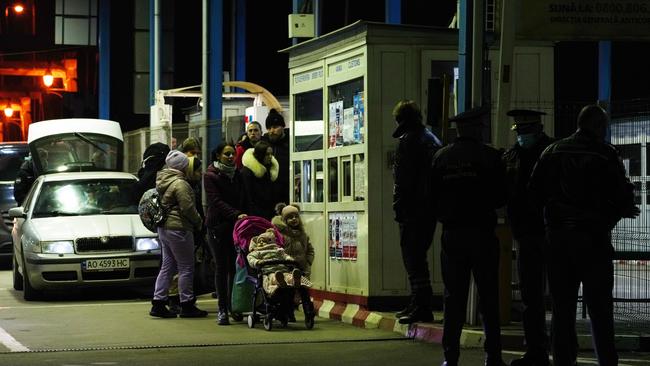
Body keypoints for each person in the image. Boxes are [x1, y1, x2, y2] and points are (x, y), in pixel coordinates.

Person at [529, 104, 639, 366]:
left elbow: (534, 192)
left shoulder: (551, 151)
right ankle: (607, 361)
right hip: (594, 241)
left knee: (562, 308)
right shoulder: (605, 154)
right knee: (601, 310)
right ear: (599, 126)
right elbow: (622, 194)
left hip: (558, 242)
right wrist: (619, 210)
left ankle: (564, 361)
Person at [431, 106, 507, 366]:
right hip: (483, 234)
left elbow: (430, 197)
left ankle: (450, 357)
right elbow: (500, 196)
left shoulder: (441, 158)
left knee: (453, 299)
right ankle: (493, 356)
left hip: (452, 235)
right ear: (477, 129)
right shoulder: (491, 157)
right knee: (489, 297)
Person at [502, 110, 553, 366]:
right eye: (519, 131)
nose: (522, 135)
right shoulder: (511, 155)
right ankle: (537, 352)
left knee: (559, 298)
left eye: (526, 130)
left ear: (538, 128)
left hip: (552, 234)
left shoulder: (553, 152)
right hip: (525, 235)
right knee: (531, 299)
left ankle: (563, 352)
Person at [390, 100, 441, 324]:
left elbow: (402, 179)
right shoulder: (432, 139)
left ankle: (421, 305)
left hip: (412, 208)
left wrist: (399, 206)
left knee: (412, 257)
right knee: (418, 256)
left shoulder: (408, 141)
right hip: (430, 207)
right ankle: (419, 302)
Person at [149, 150, 207, 319]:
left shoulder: (163, 180)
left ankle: (158, 302)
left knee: (168, 266)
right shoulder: (180, 184)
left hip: (164, 228)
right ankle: (187, 304)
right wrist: (198, 222)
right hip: (179, 228)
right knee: (186, 267)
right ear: (183, 166)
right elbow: (187, 208)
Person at [204, 142, 248, 325]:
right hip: (217, 227)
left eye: (232, 154)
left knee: (234, 267)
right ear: (218, 156)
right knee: (222, 268)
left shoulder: (238, 174)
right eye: (226, 154)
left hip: (236, 227)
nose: (230, 157)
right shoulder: (210, 176)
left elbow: (244, 197)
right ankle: (222, 309)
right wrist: (236, 214)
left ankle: (233, 306)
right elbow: (216, 201)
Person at [246, 229, 311, 297]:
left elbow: (285, 256)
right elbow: (250, 258)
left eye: (264, 241)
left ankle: (295, 281)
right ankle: (281, 282)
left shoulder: (278, 251)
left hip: (283, 270)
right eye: (259, 242)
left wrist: (290, 260)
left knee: (289, 276)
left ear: (270, 242)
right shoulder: (257, 252)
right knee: (274, 278)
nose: (261, 243)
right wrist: (257, 262)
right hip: (270, 272)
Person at [271, 203, 315, 278]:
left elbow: (310, 250)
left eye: (296, 217)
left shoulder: (303, 235)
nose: (294, 219)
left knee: (303, 288)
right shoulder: (279, 235)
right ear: (284, 220)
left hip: (302, 270)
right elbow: (275, 250)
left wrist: (308, 263)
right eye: (290, 217)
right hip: (285, 270)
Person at [240, 140, 280, 220]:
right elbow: (248, 197)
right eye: (267, 154)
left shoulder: (269, 170)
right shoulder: (247, 172)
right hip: (254, 215)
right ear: (260, 154)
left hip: (268, 213)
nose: (270, 157)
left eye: (271, 154)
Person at [262, 109, 290, 204]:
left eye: (275, 127)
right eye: (269, 128)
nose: (271, 131)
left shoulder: (291, 143)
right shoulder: (263, 143)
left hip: (287, 191)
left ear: (282, 127)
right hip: (268, 192)